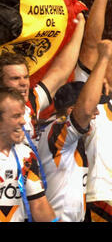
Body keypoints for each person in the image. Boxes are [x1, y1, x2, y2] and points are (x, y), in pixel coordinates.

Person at [0, 13, 86, 147]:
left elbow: (61, 70)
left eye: (25, 77)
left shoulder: (31, 102)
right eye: (15, 78)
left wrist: (80, 24)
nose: (23, 83)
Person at [0, 87, 58, 222]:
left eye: (22, 115)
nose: (23, 121)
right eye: (16, 116)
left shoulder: (26, 156)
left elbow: (39, 205)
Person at [37, 81, 90, 222]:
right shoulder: (58, 130)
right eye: (93, 108)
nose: (96, 113)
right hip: (59, 218)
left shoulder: (50, 127)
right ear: (72, 111)